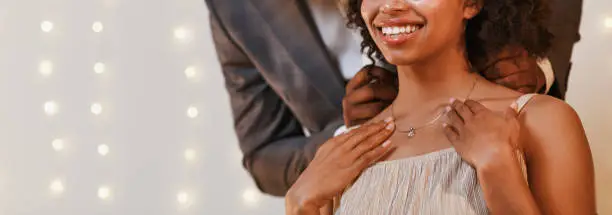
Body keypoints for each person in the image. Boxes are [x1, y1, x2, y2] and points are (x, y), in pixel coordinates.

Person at [204, 0, 576, 196]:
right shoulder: (233, 7)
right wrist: (345, 144)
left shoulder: (543, 123)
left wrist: (542, 68)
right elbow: (263, 153)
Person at [285, 0, 595, 214]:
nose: (391, 5)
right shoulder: (338, 153)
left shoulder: (539, 120)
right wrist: (300, 206)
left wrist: (499, 173)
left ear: (471, 3)